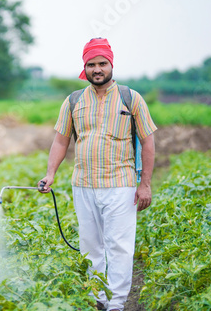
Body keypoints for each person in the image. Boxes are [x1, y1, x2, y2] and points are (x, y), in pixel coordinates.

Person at [38, 38, 156, 311]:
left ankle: (116, 304)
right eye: (91, 64)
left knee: (119, 247)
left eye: (102, 63)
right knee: (90, 247)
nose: (97, 69)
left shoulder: (131, 98)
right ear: (85, 68)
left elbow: (148, 142)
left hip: (121, 185)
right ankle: (97, 299)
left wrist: (145, 184)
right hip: (84, 185)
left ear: (111, 64)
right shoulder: (73, 101)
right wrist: (50, 174)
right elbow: (60, 141)